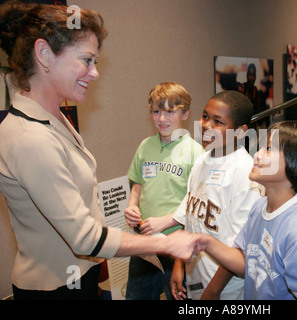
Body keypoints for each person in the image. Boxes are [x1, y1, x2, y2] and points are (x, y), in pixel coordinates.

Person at [0, 1, 197, 300]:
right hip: (56, 288)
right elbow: (85, 239)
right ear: (44, 54)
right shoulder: (30, 138)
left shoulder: (54, 118)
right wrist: (166, 244)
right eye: (86, 60)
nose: (95, 74)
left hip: (82, 275)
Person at [194, 120, 297, 300]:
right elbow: (245, 262)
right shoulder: (260, 206)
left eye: (269, 149)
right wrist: (205, 241)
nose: (257, 155)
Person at [146, 90, 263, 300]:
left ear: (240, 132)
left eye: (218, 122)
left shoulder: (246, 175)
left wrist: (213, 291)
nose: (207, 125)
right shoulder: (202, 160)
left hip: (224, 289)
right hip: (195, 277)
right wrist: (179, 265)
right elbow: (190, 221)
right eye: (205, 116)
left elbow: (239, 248)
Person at [123, 82, 203, 300]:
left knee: (177, 297)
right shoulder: (145, 145)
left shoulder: (195, 152)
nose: (162, 119)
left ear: (185, 113)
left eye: (170, 112)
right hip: (144, 243)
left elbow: (196, 201)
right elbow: (137, 182)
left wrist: (167, 221)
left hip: (175, 244)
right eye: (156, 112)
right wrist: (132, 204)